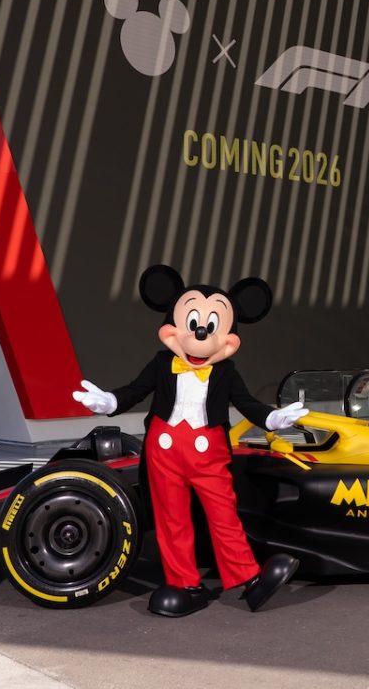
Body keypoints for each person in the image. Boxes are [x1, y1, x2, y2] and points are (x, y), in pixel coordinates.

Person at [72, 264, 306, 617]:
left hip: (208, 450)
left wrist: (273, 418)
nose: (200, 333)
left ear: (228, 336)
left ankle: (248, 579)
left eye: (212, 327)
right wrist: (110, 403)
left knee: (223, 513)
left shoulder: (225, 371)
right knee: (172, 519)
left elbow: (246, 404)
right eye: (192, 323)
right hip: (163, 447)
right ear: (172, 328)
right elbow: (136, 391)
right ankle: (183, 583)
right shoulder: (163, 363)